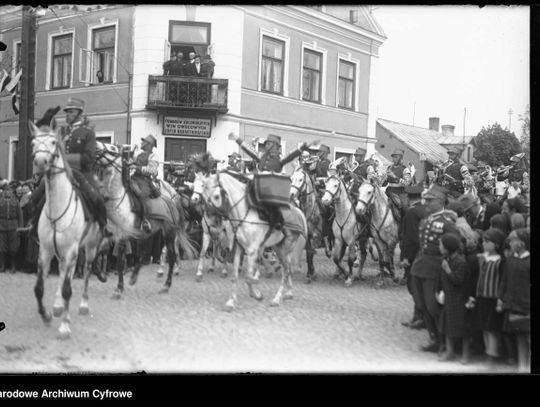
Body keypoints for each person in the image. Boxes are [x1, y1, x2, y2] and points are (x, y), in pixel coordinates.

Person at [30, 98, 108, 235]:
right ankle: (33, 225)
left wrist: (65, 160)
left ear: (79, 113)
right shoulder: (62, 132)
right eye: (67, 112)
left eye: (70, 112)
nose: (67, 115)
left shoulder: (88, 133)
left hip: (82, 173)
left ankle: (103, 228)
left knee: (97, 199)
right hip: (59, 173)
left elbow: (89, 158)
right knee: (36, 196)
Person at [410, 184, 460, 353]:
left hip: (435, 269)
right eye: (426, 200)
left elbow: (455, 247)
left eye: (430, 201)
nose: (427, 204)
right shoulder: (426, 219)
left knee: (433, 307)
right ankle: (433, 338)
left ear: (440, 202)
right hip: (420, 266)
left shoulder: (447, 223)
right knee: (422, 305)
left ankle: (443, 341)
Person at [234, 132, 317, 229]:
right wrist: (238, 139)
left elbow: (293, 154)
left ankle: (278, 223)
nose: (266, 145)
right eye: (266, 144)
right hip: (259, 186)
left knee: (274, 209)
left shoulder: (280, 159)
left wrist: (307, 145)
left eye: (268, 143)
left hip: (272, 189)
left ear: (275, 145)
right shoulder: (261, 156)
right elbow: (250, 151)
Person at [471, 228, 506, 364]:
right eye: (483, 241)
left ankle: (493, 354)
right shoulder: (482, 257)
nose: (484, 244)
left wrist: (501, 299)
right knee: (484, 327)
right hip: (482, 297)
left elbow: (503, 280)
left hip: (493, 299)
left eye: (487, 242)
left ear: (496, 244)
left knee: (492, 329)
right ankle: (487, 351)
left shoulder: (501, 261)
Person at [497, 228, 530, 372]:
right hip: (514, 305)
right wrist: (500, 298)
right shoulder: (510, 259)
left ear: (522, 243)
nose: (510, 242)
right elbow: (504, 280)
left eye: (513, 239)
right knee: (520, 337)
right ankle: (522, 367)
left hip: (527, 305)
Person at [437, 233, 469, 362]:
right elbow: (441, 278)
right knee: (447, 326)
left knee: (462, 328)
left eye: (441, 245)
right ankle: (450, 352)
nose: (439, 247)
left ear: (447, 247)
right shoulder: (447, 260)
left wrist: (448, 269)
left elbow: (458, 280)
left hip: (459, 298)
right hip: (449, 297)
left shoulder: (460, 262)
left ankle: (466, 355)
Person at [399, 184, 427, 330]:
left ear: (409, 197)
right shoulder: (425, 210)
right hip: (423, 253)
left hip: (413, 255)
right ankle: (421, 316)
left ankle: (419, 317)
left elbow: (410, 237)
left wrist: (406, 258)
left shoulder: (411, 213)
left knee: (413, 287)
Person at [129, 134, 160, 233]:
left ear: (149, 144)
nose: (141, 143)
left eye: (144, 141)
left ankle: (145, 220)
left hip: (144, 181)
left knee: (142, 195)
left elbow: (152, 171)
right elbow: (131, 163)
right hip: (133, 178)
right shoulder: (138, 154)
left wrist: (137, 168)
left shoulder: (153, 156)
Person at [384, 149, 412, 233]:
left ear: (400, 158)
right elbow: (384, 183)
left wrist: (394, 177)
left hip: (400, 192)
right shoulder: (389, 167)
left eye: (396, 157)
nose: (393, 159)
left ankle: (405, 228)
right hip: (389, 191)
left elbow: (407, 183)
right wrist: (383, 179)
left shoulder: (405, 169)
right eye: (393, 157)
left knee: (405, 208)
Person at [0, 184, 23, 273]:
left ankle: (13, 266)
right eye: (6, 190)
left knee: (14, 248)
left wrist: (20, 227)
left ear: (12, 192)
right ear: (4, 192)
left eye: (9, 190)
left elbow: (20, 216)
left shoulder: (16, 202)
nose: (7, 192)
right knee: (2, 247)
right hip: (1, 226)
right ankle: (3, 266)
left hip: (14, 226)